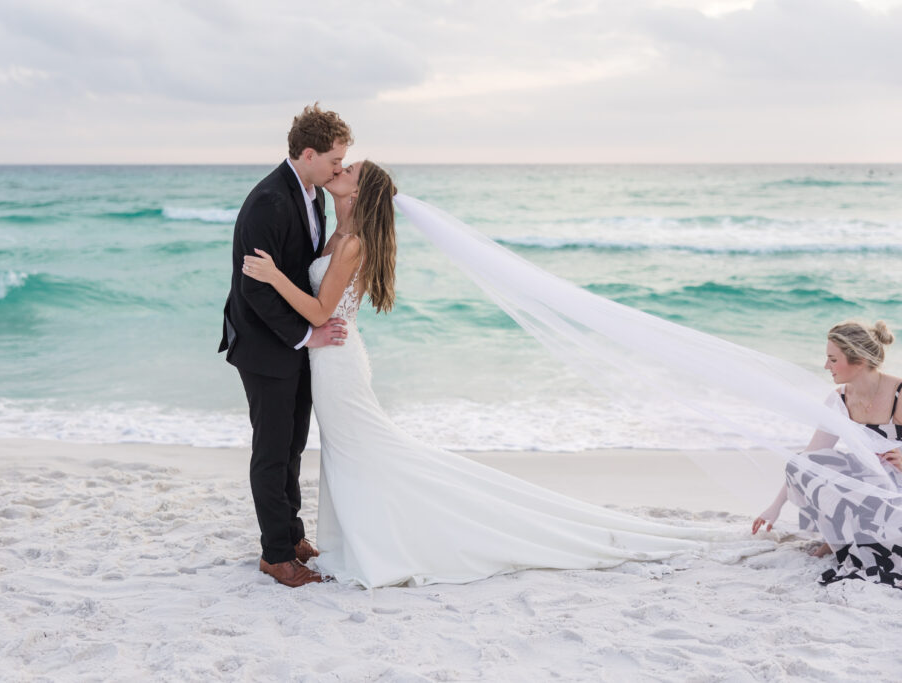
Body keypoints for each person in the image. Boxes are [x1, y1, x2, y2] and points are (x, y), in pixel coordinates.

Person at [241, 160, 742, 588]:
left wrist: (274, 276)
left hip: (338, 363)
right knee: (351, 452)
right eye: (342, 163)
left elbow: (320, 308)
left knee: (361, 449)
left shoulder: (352, 244)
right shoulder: (339, 232)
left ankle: (380, 540)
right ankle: (350, 535)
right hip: (329, 360)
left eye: (349, 169)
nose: (340, 168)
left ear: (360, 190)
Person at [218, 104, 353, 588]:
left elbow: (300, 267)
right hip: (263, 344)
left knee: (294, 443)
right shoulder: (269, 203)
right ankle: (275, 555)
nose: (341, 166)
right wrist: (307, 334)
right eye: (336, 159)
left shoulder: (312, 193)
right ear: (309, 153)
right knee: (272, 451)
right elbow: (253, 289)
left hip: (293, 343)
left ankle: (291, 534)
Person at [752, 321, 902, 588]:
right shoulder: (838, 399)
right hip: (866, 486)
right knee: (806, 463)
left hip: (895, 488)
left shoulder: (898, 393)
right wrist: (776, 506)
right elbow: (808, 459)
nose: (826, 366)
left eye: (833, 359)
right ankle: (838, 542)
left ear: (858, 360)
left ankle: (850, 542)